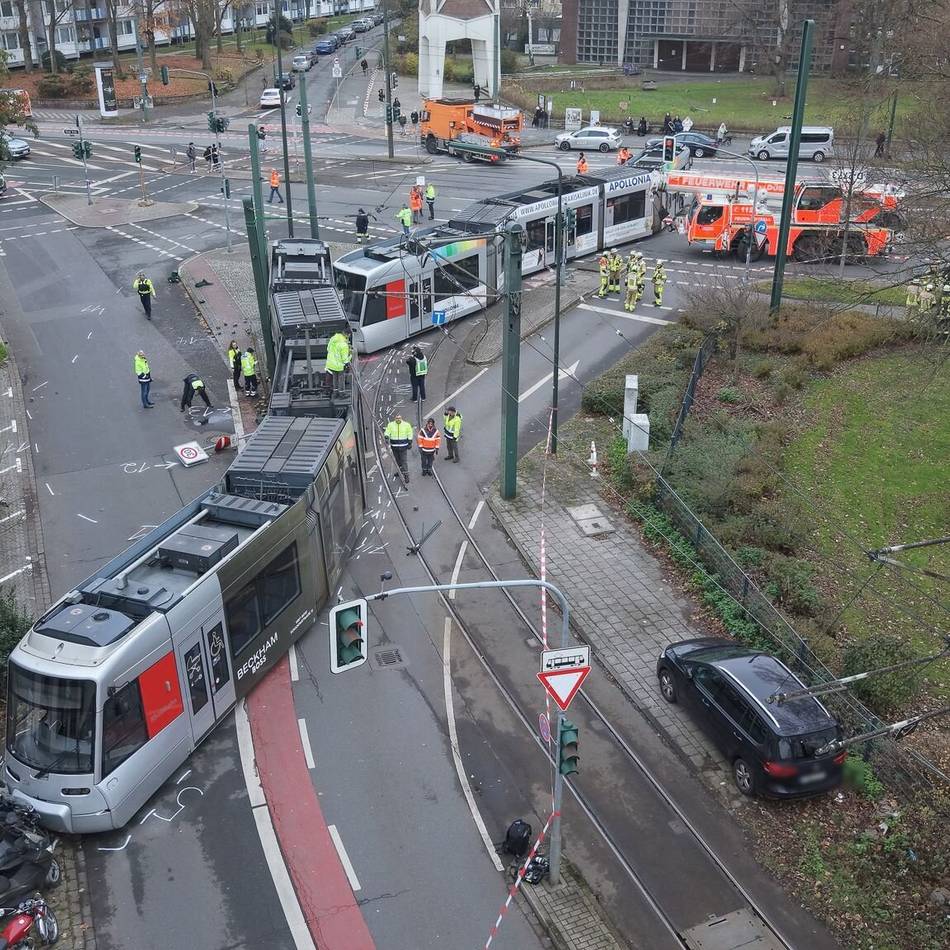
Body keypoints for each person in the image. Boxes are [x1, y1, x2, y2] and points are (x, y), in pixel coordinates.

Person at [384, 413, 413, 482]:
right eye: (397, 418)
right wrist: (386, 436)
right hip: (394, 446)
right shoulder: (391, 425)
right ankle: (400, 471)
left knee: (404, 461)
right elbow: (387, 431)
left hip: (403, 446)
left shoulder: (406, 425)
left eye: (399, 418)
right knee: (398, 461)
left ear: (401, 418)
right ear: (395, 418)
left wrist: (410, 441)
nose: (398, 419)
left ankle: (406, 475)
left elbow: (410, 433)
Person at [325, 329, 351, 397]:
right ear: (347, 335)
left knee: (335, 378)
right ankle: (342, 394)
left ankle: (335, 393)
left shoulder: (333, 338)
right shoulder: (344, 344)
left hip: (331, 364)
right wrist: (350, 355)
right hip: (339, 365)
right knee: (341, 379)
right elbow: (345, 359)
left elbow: (328, 349)